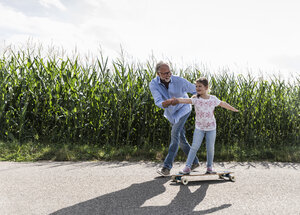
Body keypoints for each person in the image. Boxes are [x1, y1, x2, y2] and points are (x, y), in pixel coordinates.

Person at [165, 77, 239, 174]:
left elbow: (222, 104)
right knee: (194, 147)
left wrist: (234, 109)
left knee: (210, 148)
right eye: (196, 86)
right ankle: (187, 166)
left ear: (206, 87)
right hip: (199, 128)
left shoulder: (213, 99)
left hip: (211, 128)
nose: (197, 88)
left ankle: (209, 167)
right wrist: (175, 100)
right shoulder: (195, 99)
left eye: (200, 86)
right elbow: (185, 100)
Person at [149, 61, 200, 176]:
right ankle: (195, 162)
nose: (167, 75)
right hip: (171, 113)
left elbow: (195, 89)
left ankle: (166, 167)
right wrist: (165, 103)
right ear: (158, 74)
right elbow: (158, 101)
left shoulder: (179, 81)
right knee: (181, 139)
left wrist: (199, 98)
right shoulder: (153, 84)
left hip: (183, 109)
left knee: (175, 134)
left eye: (169, 72)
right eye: (164, 74)